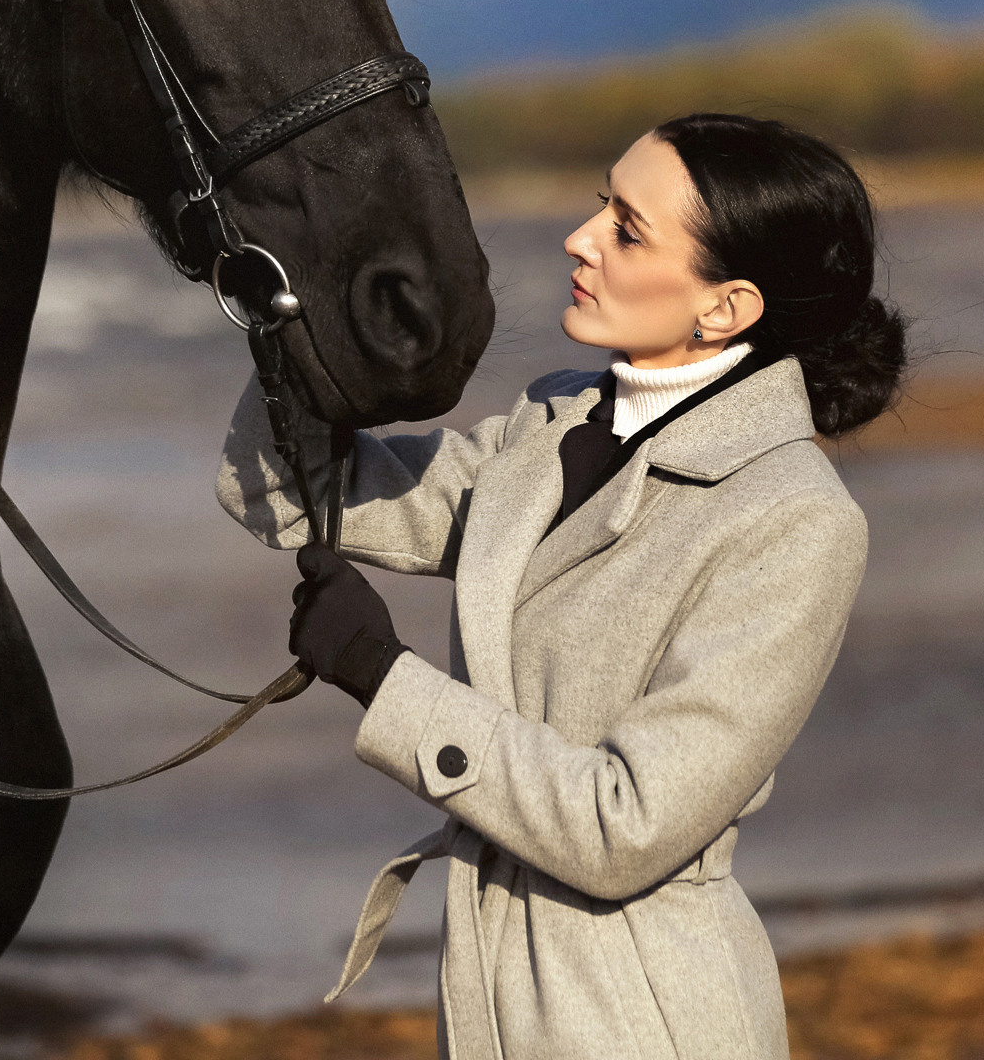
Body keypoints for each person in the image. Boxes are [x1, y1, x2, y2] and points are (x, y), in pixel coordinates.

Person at [217, 112, 907, 1059]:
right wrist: (299, 305)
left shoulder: (793, 519)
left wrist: (385, 677)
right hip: (490, 985)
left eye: (627, 229)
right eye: (599, 208)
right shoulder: (553, 423)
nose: (581, 240)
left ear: (725, 308)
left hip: (642, 1013)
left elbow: (625, 826)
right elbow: (300, 499)